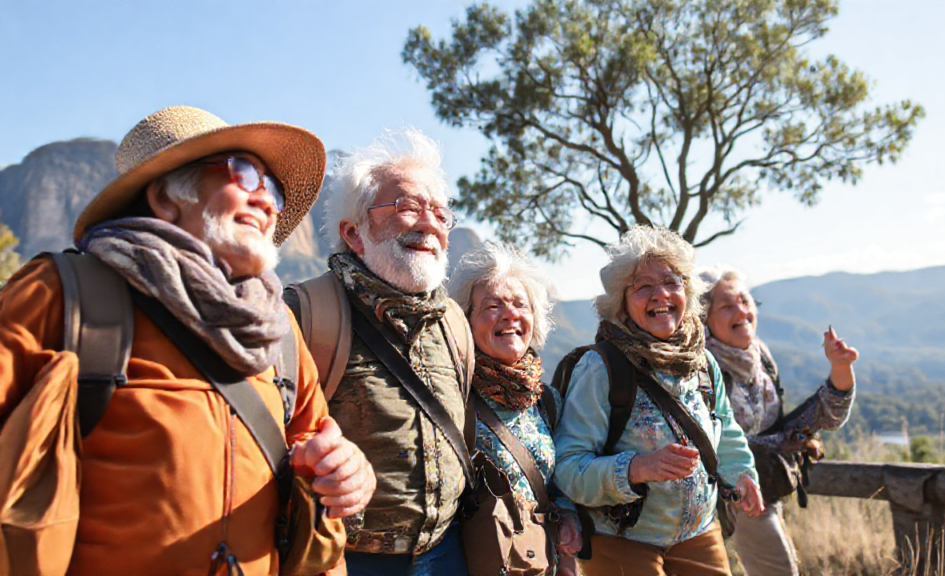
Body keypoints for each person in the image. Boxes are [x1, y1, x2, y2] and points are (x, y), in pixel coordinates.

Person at [0, 105, 375, 575]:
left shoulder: (276, 330)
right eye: (244, 174)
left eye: (273, 188)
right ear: (164, 197)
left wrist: (348, 472)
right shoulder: (61, 293)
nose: (268, 201)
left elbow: (315, 443)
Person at [285, 127, 473, 576]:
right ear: (353, 233)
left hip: (446, 553)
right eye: (408, 208)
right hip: (342, 558)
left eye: (440, 214)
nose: (430, 224)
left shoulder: (455, 322)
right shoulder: (305, 312)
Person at [553, 226, 763, 576]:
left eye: (672, 282)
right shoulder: (600, 368)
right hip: (620, 540)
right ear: (622, 300)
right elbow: (569, 469)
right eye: (644, 286)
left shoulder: (702, 362)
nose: (661, 294)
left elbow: (725, 429)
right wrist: (638, 468)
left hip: (700, 533)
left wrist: (742, 474)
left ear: (688, 291)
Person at [697, 265, 857, 576]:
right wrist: (781, 444)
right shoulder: (700, 369)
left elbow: (813, 419)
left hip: (765, 487)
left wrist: (840, 367)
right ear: (704, 318)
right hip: (731, 493)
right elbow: (710, 441)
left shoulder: (760, 356)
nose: (742, 311)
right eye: (727, 306)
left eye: (745, 301)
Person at [449, 242, 582, 576]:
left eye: (520, 304)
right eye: (492, 306)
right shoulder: (452, 396)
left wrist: (568, 526)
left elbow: (559, 483)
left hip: (538, 560)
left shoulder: (547, 400)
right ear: (466, 320)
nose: (510, 314)